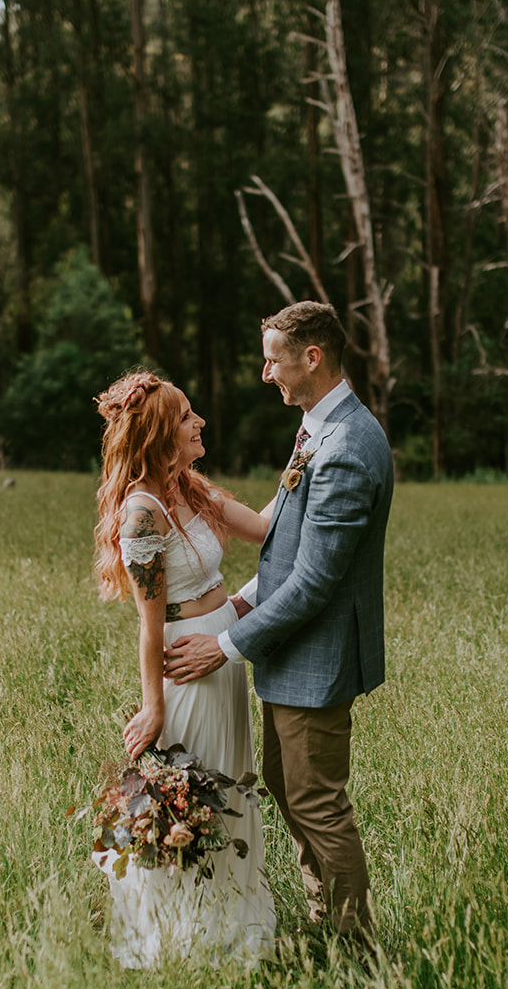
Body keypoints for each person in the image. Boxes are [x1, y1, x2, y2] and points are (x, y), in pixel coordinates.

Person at [165, 301, 393, 943]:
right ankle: (326, 917)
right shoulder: (316, 429)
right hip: (291, 652)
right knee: (287, 789)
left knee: (317, 803)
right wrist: (237, 604)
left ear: (311, 357)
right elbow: (285, 547)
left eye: (273, 360)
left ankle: (354, 944)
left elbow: (317, 579)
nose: (266, 374)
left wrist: (225, 647)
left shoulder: (346, 445)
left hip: (316, 657)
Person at [91, 371, 276, 968]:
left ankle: (233, 925)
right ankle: (185, 937)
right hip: (185, 665)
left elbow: (268, 527)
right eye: (186, 417)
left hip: (223, 655)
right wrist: (154, 706)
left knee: (233, 785)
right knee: (199, 795)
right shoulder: (142, 514)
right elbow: (150, 625)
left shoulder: (189, 489)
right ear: (159, 434)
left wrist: (302, 466)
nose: (199, 423)